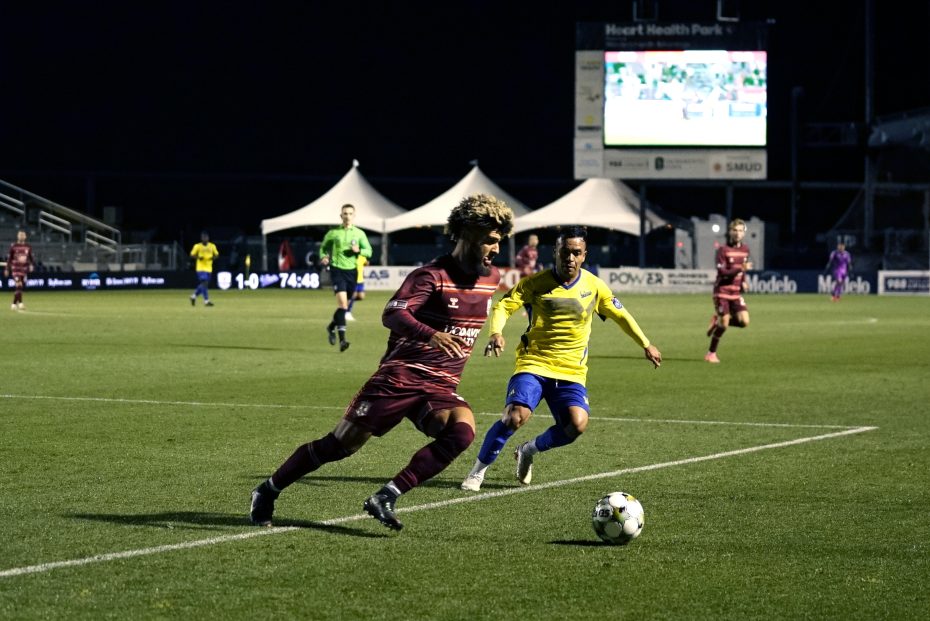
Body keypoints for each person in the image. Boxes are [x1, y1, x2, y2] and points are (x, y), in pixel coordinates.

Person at [250, 194, 515, 531]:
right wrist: (431, 335)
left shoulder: (490, 279)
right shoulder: (430, 276)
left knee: (461, 432)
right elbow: (392, 313)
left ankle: (386, 495)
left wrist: (496, 334)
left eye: (499, 242)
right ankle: (267, 490)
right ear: (465, 233)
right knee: (339, 446)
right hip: (399, 377)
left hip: (440, 385)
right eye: (490, 240)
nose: (495, 249)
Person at [460, 225, 662, 492]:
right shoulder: (535, 283)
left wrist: (646, 344)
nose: (570, 258)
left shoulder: (594, 286)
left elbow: (620, 315)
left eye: (576, 253)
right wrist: (496, 332)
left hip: (571, 371)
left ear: (584, 255)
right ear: (555, 251)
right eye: (565, 252)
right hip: (534, 363)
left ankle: (528, 450)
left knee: (576, 425)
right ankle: (478, 472)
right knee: (514, 417)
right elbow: (504, 305)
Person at [319, 204, 372, 350]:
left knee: (345, 306)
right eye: (345, 213)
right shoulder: (333, 233)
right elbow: (323, 248)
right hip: (337, 270)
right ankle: (343, 340)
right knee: (343, 305)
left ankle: (330, 327)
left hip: (352, 272)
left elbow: (369, 251)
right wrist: (324, 257)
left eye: (350, 213)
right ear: (341, 216)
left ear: (354, 216)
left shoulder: (359, 234)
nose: (347, 216)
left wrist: (359, 250)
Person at [704, 218, 752, 364]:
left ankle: (716, 322)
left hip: (736, 293)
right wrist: (740, 269)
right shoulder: (723, 250)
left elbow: (742, 270)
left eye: (740, 231)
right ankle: (711, 353)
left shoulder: (745, 250)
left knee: (744, 322)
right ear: (730, 232)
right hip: (722, 291)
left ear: (744, 233)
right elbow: (723, 271)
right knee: (724, 324)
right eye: (735, 230)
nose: (737, 233)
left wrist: (743, 281)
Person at [5, 229, 35, 310]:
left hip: (23, 270)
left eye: (23, 235)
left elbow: (30, 257)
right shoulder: (13, 246)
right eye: (20, 235)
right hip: (15, 269)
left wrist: (32, 265)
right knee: (19, 285)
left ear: (25, 236)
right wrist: (7, 269)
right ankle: (17, 304)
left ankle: (16, 303)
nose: (21, 236)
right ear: (17, 236)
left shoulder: (28, 246)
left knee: (19, 287)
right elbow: (9, 258)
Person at [189, 231, 219, 306]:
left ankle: (193, 296)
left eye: (206, 237)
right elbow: (192, 255)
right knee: (204, 283)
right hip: (200, 268)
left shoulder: (212, 246)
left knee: (204, 285)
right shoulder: (197, 246)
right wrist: (198, 257)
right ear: (201, 238)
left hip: (209, 268)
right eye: (203, 237)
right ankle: (206, 301)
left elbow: (217, 255)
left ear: (208, 238)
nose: (205, 239)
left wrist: (213, 258)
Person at [345, 253, 367, 321]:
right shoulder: (351, 257)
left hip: (360, 280)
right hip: (353, 279)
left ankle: (347, 300)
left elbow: (365, 263)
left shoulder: (362, 256)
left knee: (361, 296)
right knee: (353, 295)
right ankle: (347, 312)